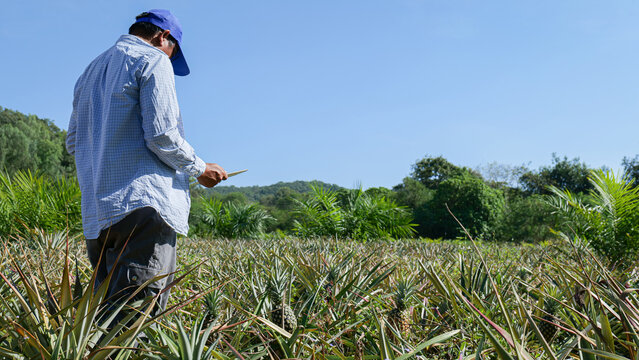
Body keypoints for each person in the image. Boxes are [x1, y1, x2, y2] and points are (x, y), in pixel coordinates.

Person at [66, 9, 226, 317]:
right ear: (163, 37)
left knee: (105, 322)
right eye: (172, 51)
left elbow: (73, 142)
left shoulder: (89, 72)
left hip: (98, 217)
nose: (170, 56)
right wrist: (200, 168)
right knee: (134, 322)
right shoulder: (153, 60)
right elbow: (162, 134)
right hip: (142, 208)